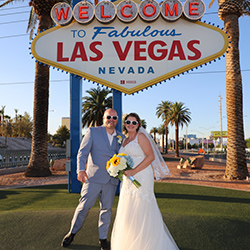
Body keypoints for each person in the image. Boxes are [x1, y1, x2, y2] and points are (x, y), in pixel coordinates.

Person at [111, 113, 179, 250]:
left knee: (142, 207)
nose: (131, 124)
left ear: (138, 125)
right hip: (128, 179)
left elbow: (150, 156)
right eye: (128, 122)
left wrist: (134, 171)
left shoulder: (140, 137)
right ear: (124, 124)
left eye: (134, 122)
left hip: (141, 176)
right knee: (128, 208)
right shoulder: (124, 140)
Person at [61, 108, 125, 249]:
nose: (111, 120)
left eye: (114, 118)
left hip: (111, 181)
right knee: (83, 207)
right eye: (109, 117)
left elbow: (123, 158)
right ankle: (72, 233)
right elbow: (82, 153)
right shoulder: (93, 132)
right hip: (93, 178)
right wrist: (80, 170)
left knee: (106, 210)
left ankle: (103, 239)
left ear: (117, 120)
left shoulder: (121, 137)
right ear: (103, 118)